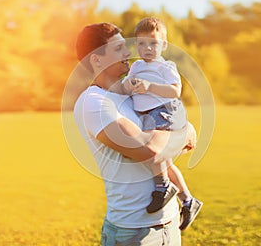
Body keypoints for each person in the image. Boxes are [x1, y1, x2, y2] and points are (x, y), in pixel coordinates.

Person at [73, 22, 197, 245]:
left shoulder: (133, 97)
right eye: (119, 48)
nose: (128, 52)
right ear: (96, 59)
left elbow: (180, 129)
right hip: (133, 232)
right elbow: (150, 151)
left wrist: (181, 130)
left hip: (169, 224)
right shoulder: (93, 103)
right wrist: (183, 132)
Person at [122, 17, 203, 230]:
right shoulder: (137, 66)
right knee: (164, 162)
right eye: (141, 43)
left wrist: (149, 86)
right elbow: (126, 85)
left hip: (163, 112)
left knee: (152, 152)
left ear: (163, 45)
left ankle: (163, 187)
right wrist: (128, 84)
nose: (147, 48)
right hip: (146, 115)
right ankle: (188, 200)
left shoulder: (165, 66)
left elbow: (175, 91)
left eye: (153, 43)